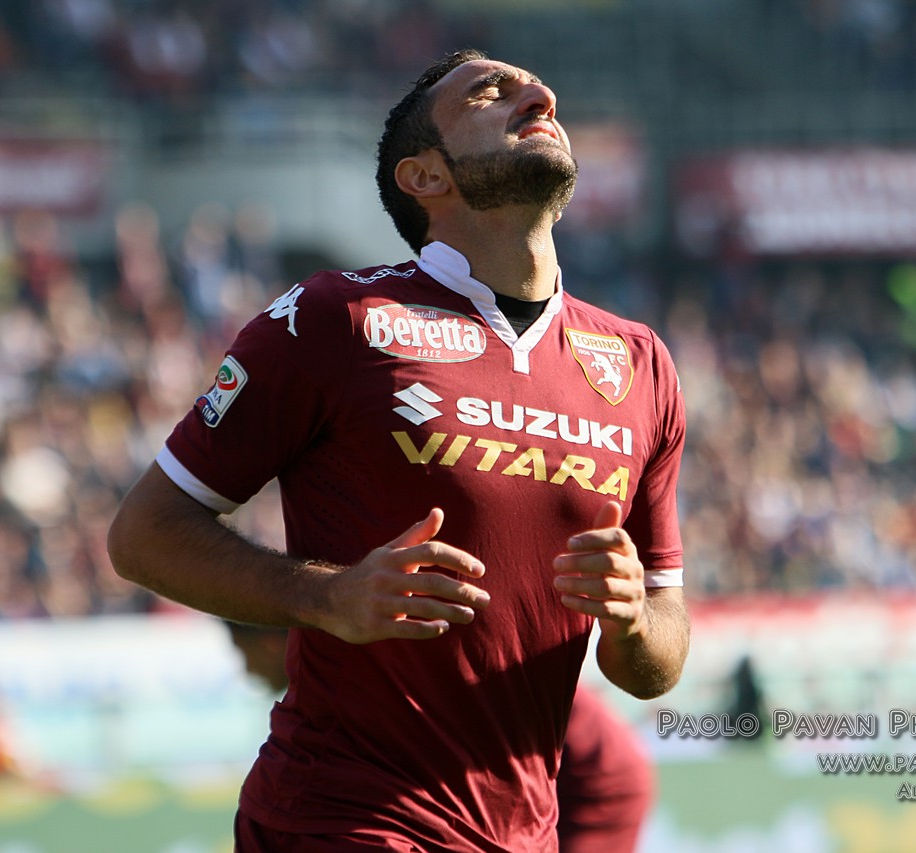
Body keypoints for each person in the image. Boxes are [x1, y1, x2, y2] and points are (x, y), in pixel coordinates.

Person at [107, 48, 689, 852]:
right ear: (425, 176)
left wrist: (630, 620)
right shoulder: (334, 318)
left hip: (525, 832)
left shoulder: (640, 363)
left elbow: (658, 659)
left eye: (534, 85)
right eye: (489, 92)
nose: (538, 91)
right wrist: (327, 596)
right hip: (345, 817)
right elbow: (143, 534)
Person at [224, 621, 656, 852]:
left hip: (596, 778)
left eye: (244, 653)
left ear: (268, 645)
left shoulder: (364, 659)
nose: (247, 670)